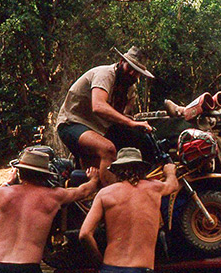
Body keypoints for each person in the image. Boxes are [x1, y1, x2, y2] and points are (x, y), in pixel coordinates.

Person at [79, 147, 179, 273]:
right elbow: (173, 186)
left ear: (116, 171)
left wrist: (100, 262)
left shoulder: (105, 193)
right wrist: (170, 172)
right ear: (142, 170)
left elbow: (84, 234)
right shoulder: (155, 188)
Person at [56, 46, 155, 186]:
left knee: (136, 144)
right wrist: (130, 122)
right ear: (121, 61)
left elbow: (122, 116)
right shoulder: (105, 75)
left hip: (100, 129)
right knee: (107, 149)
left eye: (137, 72)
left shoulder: (130, 90)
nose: (132, 73)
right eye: (130, 67)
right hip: (73, 124)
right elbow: (98, 106)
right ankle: (111, 199)